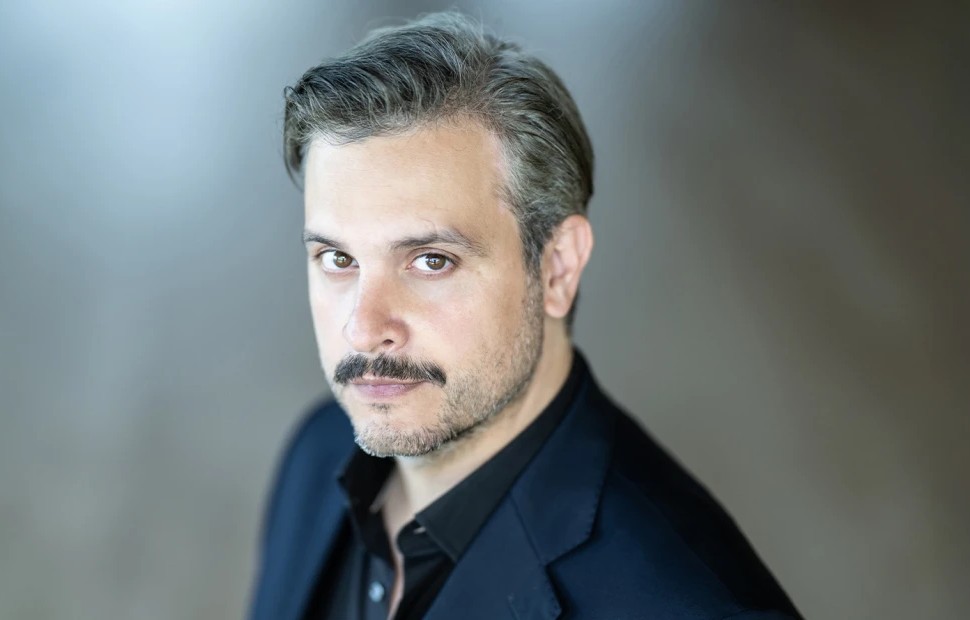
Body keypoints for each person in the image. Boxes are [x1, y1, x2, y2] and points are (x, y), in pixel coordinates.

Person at [248, 11, 801, 620]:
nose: (362, 328)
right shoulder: (320, 450)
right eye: (338, 259)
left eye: (431, 261)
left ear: (557, 268)